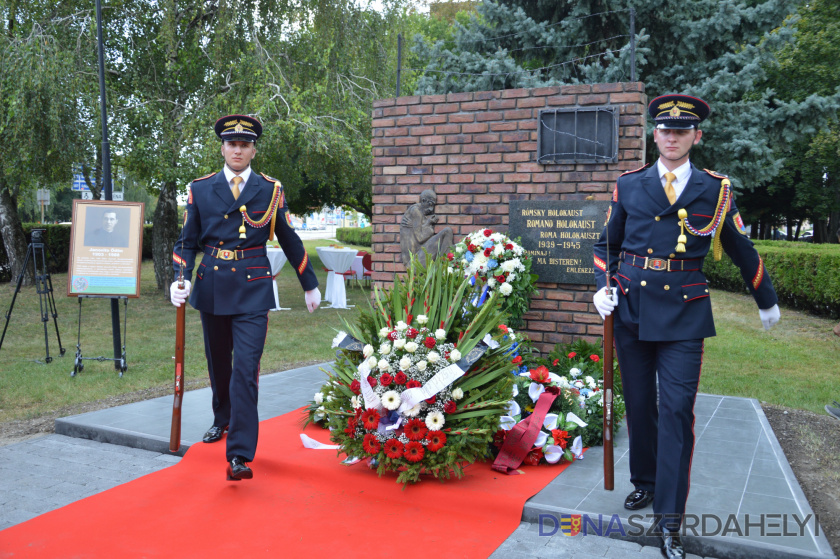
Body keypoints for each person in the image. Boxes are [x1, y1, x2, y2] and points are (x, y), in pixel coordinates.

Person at [592, 94, 781, 559]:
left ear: (696, 136)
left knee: (676, 411)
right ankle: (646, 482)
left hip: (684, 314)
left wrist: (766, 298)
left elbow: (740, 247)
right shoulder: (629, 184)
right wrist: (602, 285)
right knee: (639, 406)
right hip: (632, 311)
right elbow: (605, 245)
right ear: (654, 134)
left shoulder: (715, 190)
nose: (672, 137)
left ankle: (669, 523)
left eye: (682, 131)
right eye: (664, 129)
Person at [169, 114, 321, 481]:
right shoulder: (200, 188)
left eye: (245, 145)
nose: (238, 150)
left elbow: (288, 237)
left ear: (253, 150)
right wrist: (180, 277)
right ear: (222, 148)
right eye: (231, 144)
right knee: (219, 365)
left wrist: (309, 283)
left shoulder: (270, 189)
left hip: (253, 289)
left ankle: (239, 455)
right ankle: (221, 419)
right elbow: (187, 242)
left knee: (246, 370)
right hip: (212, 287)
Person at [399, 189, 453, 267]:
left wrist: (427, 222)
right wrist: (429, 225)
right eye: (430, 204)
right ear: (423, 201)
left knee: (447, 239)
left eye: (433, 206)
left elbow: (419, 231)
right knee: (447, 232)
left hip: (416, 257)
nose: (431, 209)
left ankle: (444, 266)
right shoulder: (416, 211)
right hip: (413, 262)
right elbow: (420, 238)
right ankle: (445, 268)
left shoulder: (417, 211)